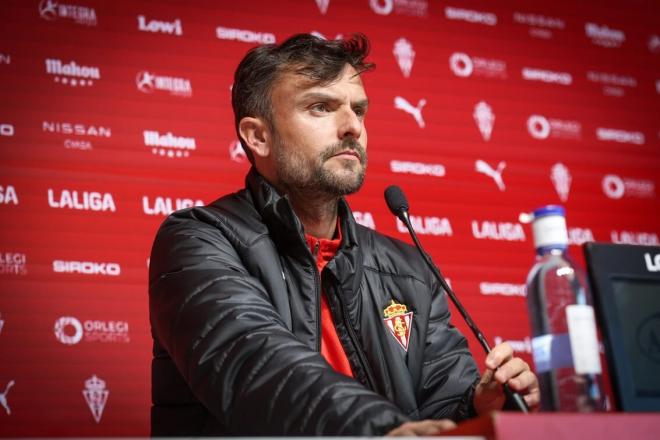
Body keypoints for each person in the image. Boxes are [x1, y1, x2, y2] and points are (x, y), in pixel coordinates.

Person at [148, 33, 539, 436]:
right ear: (258, 136)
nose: (352, 126)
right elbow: (258, 369)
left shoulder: (407, 270)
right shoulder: (198, 241)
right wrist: (380, 430)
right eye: (320, 107)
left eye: (359, 110)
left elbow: (439, 403)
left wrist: (475, 402)